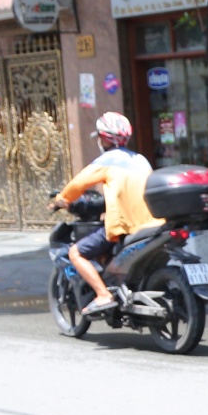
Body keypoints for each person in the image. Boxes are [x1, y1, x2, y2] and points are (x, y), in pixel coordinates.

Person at [52, 113, 158, 317]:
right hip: (152, 223)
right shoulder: (141, 160)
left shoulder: (108, 160)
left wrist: (61, 200)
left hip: (124, 225)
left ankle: (102, 294)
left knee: (76, 253)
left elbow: (78, 185)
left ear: (103, 138)